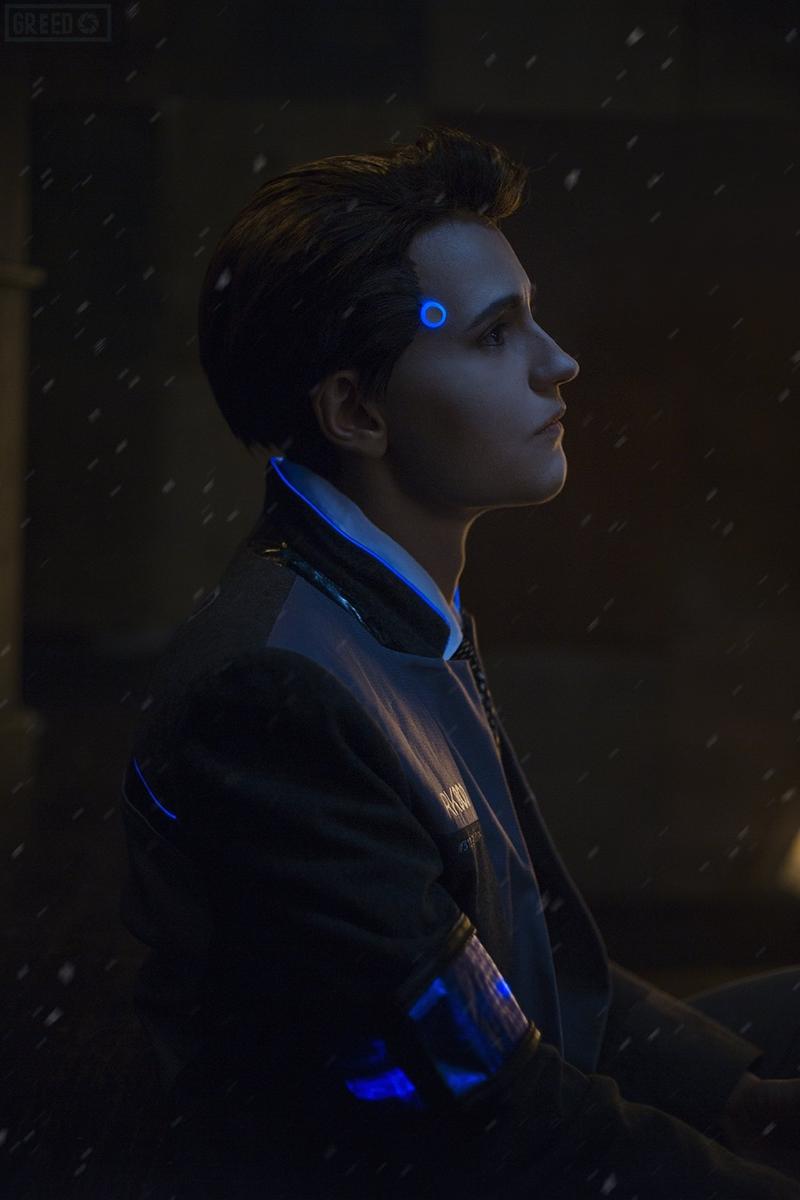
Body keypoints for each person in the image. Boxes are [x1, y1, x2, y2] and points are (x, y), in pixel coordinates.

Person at [119, 124, 800, 1198]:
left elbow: (537, 963)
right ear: (356, 409)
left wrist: (738, 1100)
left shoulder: (388, 602)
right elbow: (479, 1115)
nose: (558, 363)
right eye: (494, 335)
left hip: (507, 1104)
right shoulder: (273, 689)